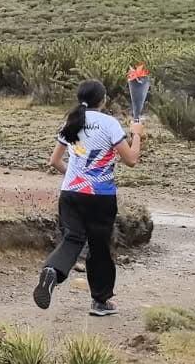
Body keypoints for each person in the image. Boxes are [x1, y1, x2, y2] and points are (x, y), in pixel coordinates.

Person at [31, 79, 143, 316]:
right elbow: (131, 159)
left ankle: (52, 270)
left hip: (70, 193)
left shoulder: (72, 121)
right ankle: (100, 302)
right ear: (103, 100)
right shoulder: (109, 123)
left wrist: (75, 178)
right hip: (100, 197)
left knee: (72, 239)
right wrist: (137, 134)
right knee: (100, 248)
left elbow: (54, 161)